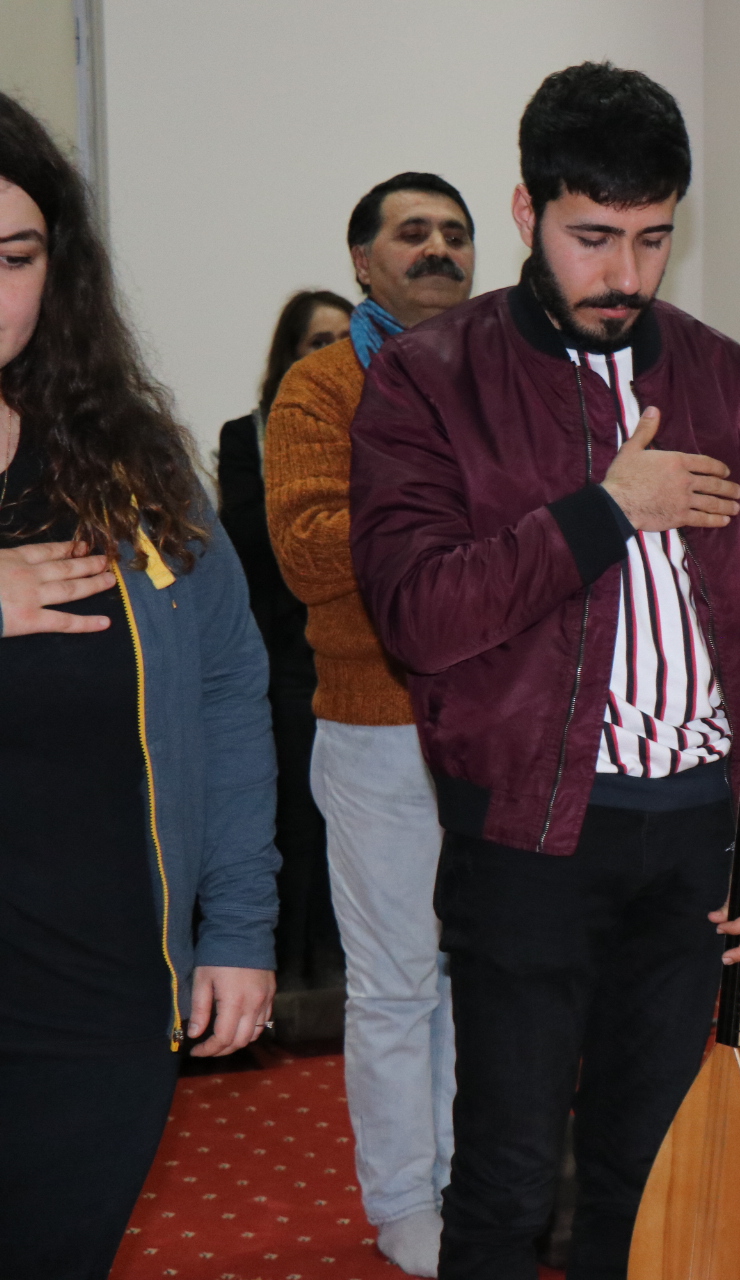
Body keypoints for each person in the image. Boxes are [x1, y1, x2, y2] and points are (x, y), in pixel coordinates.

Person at [348, 63, 740, 1280]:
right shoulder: (427, 376)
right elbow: (416, 614)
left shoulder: (722, 375)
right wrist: (605, 510)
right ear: (528, 213)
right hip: (529, 833)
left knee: (647, 1168)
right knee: (507, 1178)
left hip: (698, 830)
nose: (625, 273)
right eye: (593, 237)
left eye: (653, 238)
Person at [0, 91, 279, 1279]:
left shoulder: (124, 458)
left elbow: (226, 684)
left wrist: (240, 925)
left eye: (14, 257)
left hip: (99, 989)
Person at [265, 175, 475, 1275]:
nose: (438, 248)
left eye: (455, 233)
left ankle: (469, 1179)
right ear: (362, 260)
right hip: (377, 720)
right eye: (412, 232)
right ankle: (404, 1201)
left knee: (484, 974)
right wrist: (456, 516)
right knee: (397, 981)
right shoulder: (321, 385)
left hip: (501, 722)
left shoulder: (507, 371)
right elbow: (309, 551)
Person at [219, 289, 354, 1020]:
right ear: (289, 355)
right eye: (316, 341)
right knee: (293, 818)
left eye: (343, 339)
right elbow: (253, 544)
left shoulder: (380, 426)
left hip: (353, 655)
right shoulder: (249, 436)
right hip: (282, 658)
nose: (331, 353)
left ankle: (331, 962)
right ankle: (290, 967)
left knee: (346, 824)